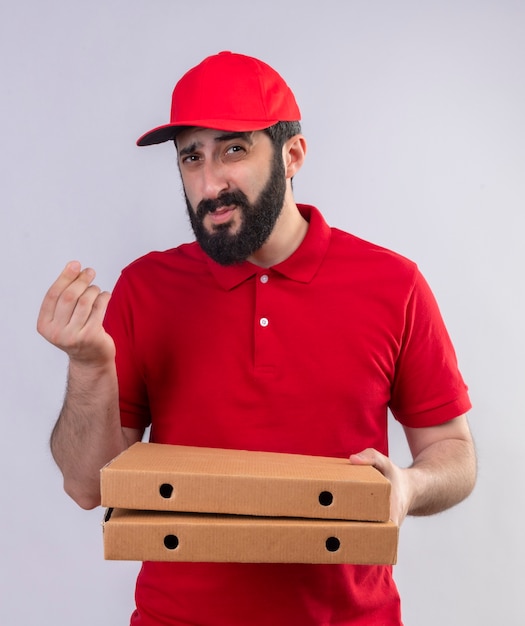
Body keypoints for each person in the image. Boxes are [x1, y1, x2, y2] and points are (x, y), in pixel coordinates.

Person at [37, 51, 477, 626]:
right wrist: (87, 368)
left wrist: (408, 488)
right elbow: (86, 486)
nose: (209, 182)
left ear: (292, 155)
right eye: (191, 157)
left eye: (234, 150)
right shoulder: (146, 288)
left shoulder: (393, 284)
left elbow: (455, 453)